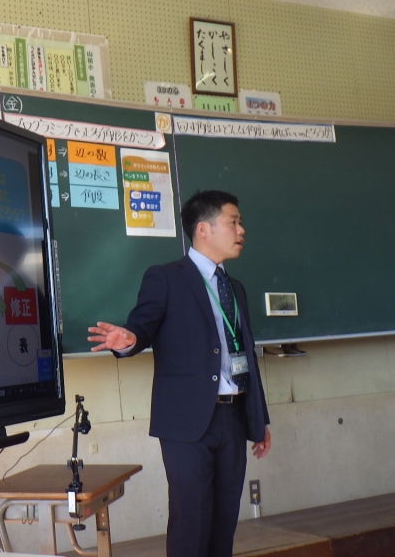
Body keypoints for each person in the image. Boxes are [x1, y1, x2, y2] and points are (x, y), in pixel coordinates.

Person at [87, 189, 270, 557]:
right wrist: (128, 339)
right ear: (203, 229)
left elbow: (245, 354)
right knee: (192, 522)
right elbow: (142, 327)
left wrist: (258, 417)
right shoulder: (166, 277)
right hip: (188, 422)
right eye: (233, 222)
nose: (241, 230)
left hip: (234, 417)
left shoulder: (235, 288)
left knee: (224, 523)